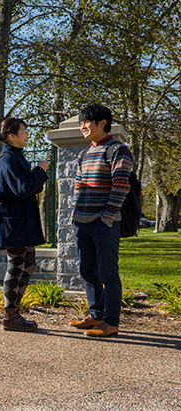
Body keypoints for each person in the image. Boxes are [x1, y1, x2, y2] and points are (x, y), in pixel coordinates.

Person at [69, 104, 133, 337]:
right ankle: (95, 315)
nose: (82, 126)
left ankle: (111, 322)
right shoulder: (84, 153)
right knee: (87, 271)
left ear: (102, 123)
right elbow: (77, 186)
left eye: (87, 122)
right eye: (81, 122)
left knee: (108, 274)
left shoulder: (118, 150)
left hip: (103, 224)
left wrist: (107, 217)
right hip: (81, 222)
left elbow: (121, 186)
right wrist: (74, 216)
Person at [0, 118, 50, 332]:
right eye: (23, 131)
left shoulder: (17, 157)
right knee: (16, 265)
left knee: (28, 264)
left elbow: (26, 188)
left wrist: (37, 176)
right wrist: (40, 171)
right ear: (11, 136)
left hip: (22, 221)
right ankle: (10, 315)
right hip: (12, 222)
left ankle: (14, 311)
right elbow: (21, 188)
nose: (27, 134)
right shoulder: (8, 160)